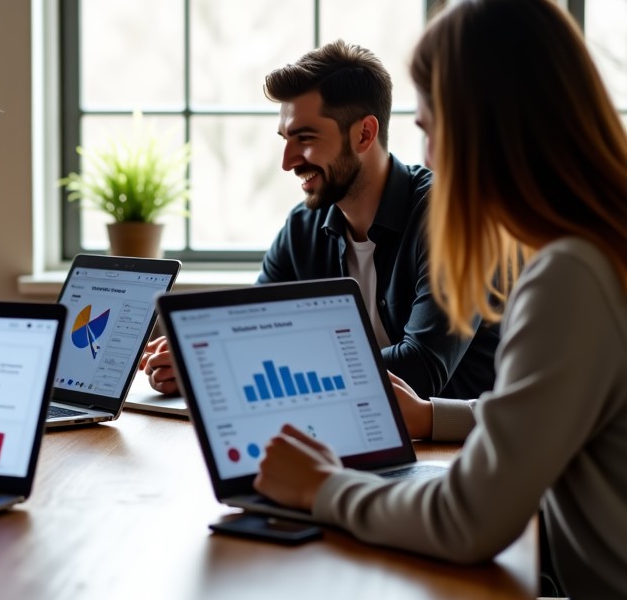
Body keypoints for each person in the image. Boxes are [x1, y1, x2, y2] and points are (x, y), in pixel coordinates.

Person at [253, 0, 627, 600]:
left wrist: (322, 487)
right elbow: (574, 408)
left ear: (484, 130)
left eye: (427, 127)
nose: (423, 152)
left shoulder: (568, 274)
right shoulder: (597, 245)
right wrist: (440, 417)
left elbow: (467, 521)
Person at [141, 40, 497, 407]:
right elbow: (250, 332)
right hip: (350, 428)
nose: (287, 161)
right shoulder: (302, 228)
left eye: (305, 138)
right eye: (285, 139)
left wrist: (230, 363)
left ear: (364, 134)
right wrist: (200, 359)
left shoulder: (450, 216)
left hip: (457, 451)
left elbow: (422, 369)